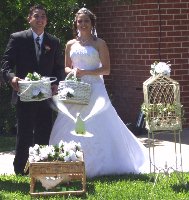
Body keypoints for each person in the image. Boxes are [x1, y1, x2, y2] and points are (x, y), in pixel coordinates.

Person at [49, 8, 148, 178]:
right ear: (76, 23)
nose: (83, 24)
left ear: (92, 23)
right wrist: (73, 72)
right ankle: (69, 160)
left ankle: (103, 164)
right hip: (75, 89)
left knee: (97, 122)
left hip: (95, 88)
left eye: (86, 21)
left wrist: (86, 73)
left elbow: (107, 70)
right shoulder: (70, 44)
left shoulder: (99, 43)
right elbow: (66, 67)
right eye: (80, 21)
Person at [1, 4, 64, 175]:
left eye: (43, 16)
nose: (40, 19)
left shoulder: (54, 42)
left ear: (46, 20)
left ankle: (41, 167)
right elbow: (5, 64)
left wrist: (56, 83)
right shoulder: (18, 38)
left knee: (44, 131)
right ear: (29, 19)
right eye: (36, 16)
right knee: (25, 132)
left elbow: (59, 68)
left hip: (45, 96)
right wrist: (11, 78)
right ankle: (21, 168)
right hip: (24, 93)